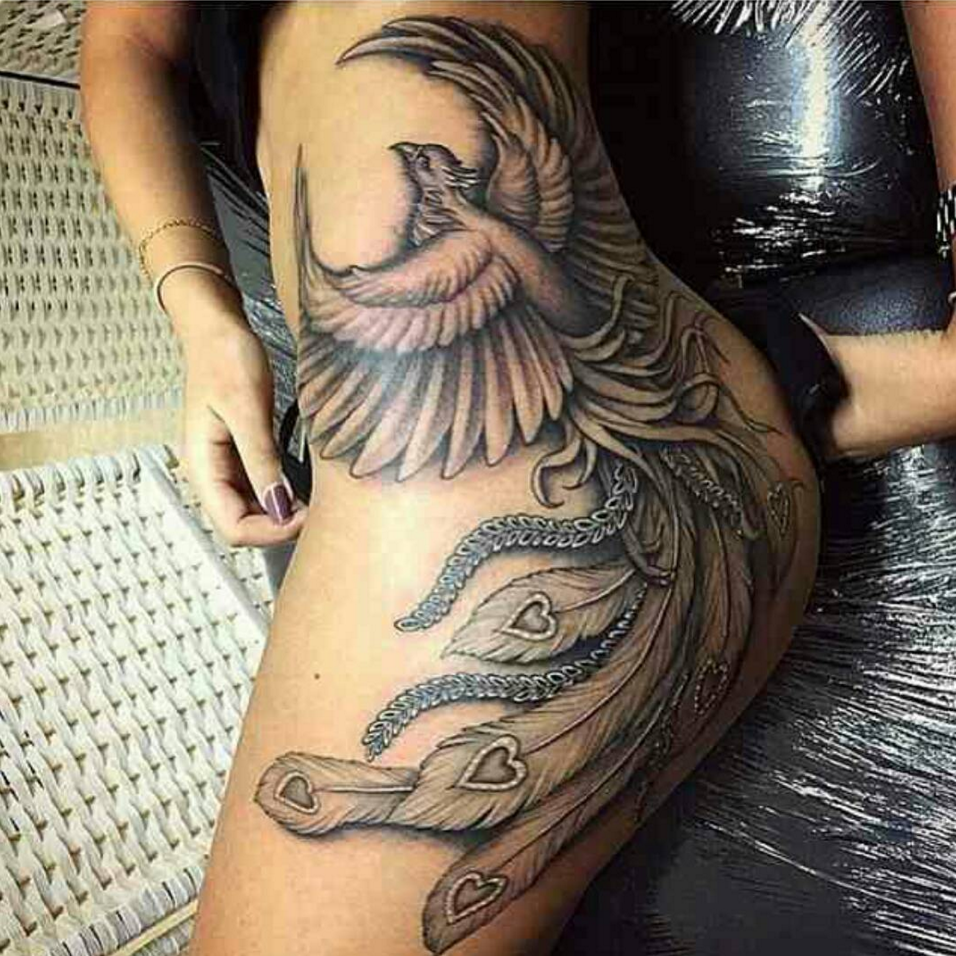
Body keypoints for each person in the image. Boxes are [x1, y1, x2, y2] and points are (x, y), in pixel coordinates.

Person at [76, 3, 949, 953]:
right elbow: (126, 46)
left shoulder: (468, 246)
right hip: (491, 452)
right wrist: (203, 318)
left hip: (471, 483)